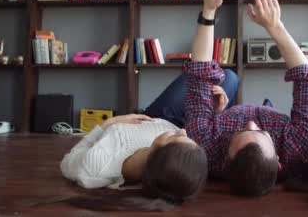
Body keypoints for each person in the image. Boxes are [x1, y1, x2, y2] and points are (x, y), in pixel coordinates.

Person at [183, 0, 308, 196]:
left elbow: (199, 72)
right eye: (261, 133)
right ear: (278, 161)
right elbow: (307, 77)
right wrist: (274, 26)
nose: (251, 123)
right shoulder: (300, 146)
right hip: (274, 114)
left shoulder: (206, 146)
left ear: (225, 159)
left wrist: (209, 10)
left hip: (226, 111)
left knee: (227, 77)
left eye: (241, 132)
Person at [59, 70, 238, 211]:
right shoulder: (174, 155)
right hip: (184, 123)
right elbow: (189, 133)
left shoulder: (95, 167)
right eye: (187, 137)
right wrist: (213, 114)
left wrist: (109, 123)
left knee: (209, 75)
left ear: (156, 151)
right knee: (230, 78)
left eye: (178, 137)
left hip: (157, 117)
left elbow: (67, 161)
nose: (183, 131)